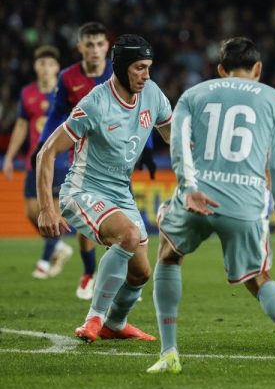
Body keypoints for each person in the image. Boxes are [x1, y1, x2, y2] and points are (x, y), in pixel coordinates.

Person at [146, 37, 275, 375]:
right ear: (258, 69)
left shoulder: (193, 94)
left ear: (221, 69)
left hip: (198, 197)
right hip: (246, 202)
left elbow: (178, 144)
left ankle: (169, 353)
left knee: (168, 254)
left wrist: (189, 188)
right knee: (259, 277)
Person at [37, 34, 172, 344]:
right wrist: (47, 208)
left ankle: (115, 323)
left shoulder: (151, 93)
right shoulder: (95, 103)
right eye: (140, 67)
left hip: (120, 193)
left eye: (149, 67)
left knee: (141, 273)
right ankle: (94, 319)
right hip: (83, 191)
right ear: (123, 66)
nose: (146, 75)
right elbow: (47, 152)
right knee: (127, 235)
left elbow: (171, 134)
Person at [36, 22, 111, 299]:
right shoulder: (68, 77)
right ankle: (90, 272)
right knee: (86, 220)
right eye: (89, 44)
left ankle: (116, 278)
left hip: (118, 157)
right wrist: (44, 145)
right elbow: (56, 115)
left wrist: (148, 147)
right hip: (80, 158)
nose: (94, 49)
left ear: (107, 46)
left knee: (124, 219)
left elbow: (139, 107)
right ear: (80, 47)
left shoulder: (118, 71)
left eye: (99, 44)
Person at [3, 45, 73, 279]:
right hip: (35, 160)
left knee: (51, 209)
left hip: (59, 159)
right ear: (36, 66)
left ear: (57, 68)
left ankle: (44, 262)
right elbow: (22, 125)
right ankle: (59, 245)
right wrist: (11, 157)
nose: (45, 68)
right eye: (42, 63)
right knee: (31, 211)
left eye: (50, 64)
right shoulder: (27, 94)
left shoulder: (64, 92)